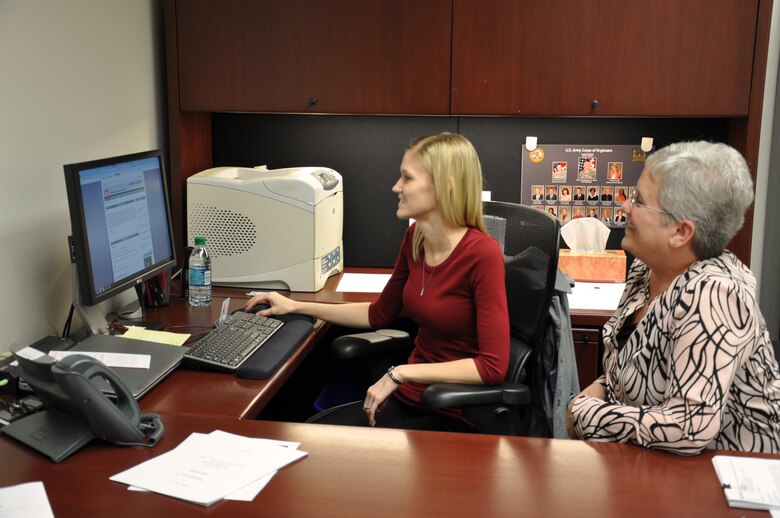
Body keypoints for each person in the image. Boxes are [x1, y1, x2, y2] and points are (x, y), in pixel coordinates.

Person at [246, 132, 510, 432]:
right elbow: (378, 313)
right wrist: (296, 306)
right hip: (409, 399)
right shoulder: (416, 239)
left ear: (445, 186)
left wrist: (399, 374)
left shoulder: (482, 254)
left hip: (453, 411)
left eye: (407, 178)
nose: (396, 187)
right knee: (311, 434)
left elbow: (492, 367)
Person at [566, 141, 780, 455]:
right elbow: (622, 373)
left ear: (681, 232)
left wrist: (583, 413)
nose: (625, 207)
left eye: (638, 201)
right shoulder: (646, 270)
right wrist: (590, 397)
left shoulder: (714, 294)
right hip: (650, 465)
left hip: (724, 478)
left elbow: (689, 426)